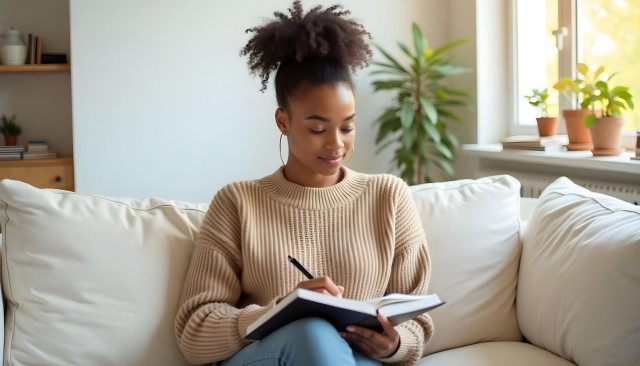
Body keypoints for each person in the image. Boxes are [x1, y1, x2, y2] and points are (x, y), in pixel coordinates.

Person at [174, 2, 433, 365]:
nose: (336, 144)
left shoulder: (388, 197)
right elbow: (194, 332)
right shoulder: (238, 202)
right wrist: (278, 311)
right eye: (317, 128)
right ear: (283, 121)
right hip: (274, 357)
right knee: (311, 332)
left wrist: (394, 344)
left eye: (347, 126)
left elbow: (418, 318)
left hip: (360, 360)